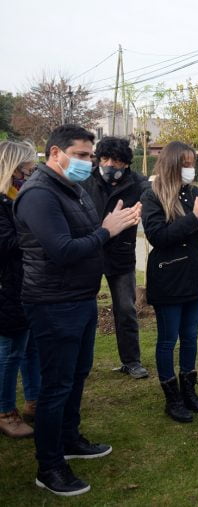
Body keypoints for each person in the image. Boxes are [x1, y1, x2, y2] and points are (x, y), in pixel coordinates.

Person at [14, 124, 141, 496]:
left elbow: (89, 232)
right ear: (55, 153)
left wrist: (108, 227)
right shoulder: (39, 194)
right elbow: (64, 249)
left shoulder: (71, 189)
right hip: (53, 304)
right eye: (83, 155)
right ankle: (49, 466)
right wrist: (107, 230)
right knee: (56, 387)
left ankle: (70, 439)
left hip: (82, 299)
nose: (89, 162)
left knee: (77, 375)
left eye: (90, 155)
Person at [141, 141, 198, 423]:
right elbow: (159, 237)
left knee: (191, 335)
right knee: (168, 339)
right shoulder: (152, 195)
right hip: (168, 277)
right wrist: (195, 217)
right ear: (173, 164)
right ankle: (172, 397)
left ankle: (189, 391)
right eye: (186, 164)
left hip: (194, 275)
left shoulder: (194, 192)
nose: (191, 169)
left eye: (193, 163)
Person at [80, 137, 149, 379]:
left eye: (117, 161)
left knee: (126, 309)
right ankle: (81, 365)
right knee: (83, 311)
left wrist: (146, 211)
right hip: (88, 253)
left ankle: (131, 361)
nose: (110, 165)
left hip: (121, 255)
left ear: (127, 163)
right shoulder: (85, 180)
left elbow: (153, 205)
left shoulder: (138, 183)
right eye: (106, 159)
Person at [0, 140, 41, 438]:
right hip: (7, 289)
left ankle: (34, 400)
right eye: (27, 171)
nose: (29, 177)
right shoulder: (5, 204)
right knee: (10, 351)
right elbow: (6, 244)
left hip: (25, 286)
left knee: (30, 348)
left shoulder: (16, 200)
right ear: (12, 170)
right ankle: (5, 411)